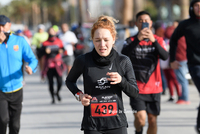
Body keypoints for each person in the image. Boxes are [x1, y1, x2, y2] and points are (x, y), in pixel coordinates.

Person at [65, 15, 139, 134]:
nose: (102, 44)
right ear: (92, 40)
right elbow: (69, 81)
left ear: (113, 39)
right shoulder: (83, 60)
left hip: (117, 123)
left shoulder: (123, 61)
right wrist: (79, 95)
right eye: (97, 40)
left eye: (106, 40)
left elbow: (134, 93)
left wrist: (121, 81)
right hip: (92, 124)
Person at [121, 11, 168, 134]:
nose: (144, 23)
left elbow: (164, 56)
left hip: (155, 88)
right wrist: (137, 40)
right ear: (136, 23)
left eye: (146, 20)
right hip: (136, 88)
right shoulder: (130, 40)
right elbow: (123, 55)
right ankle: (138, 130)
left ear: (151, 23)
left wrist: (154, 41)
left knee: (152, 121)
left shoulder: (158, 40)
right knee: (140, 119)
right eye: (141, 21)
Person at [0, 15, 38, 134]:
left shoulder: (19, 41)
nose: (0, 28)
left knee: (15, 125)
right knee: (2, 120)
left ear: (9, 25)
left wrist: (31, 68)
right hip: (1, 90)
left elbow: (32, 59)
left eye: (2, 25)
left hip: (17, 88)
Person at [169, 0, 200, 132]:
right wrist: (172, 60)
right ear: (192, 7)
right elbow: (173, 40)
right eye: (197, 5)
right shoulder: (186, 24)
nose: (199, 8)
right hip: (196, 66)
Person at [165, 21, 189, 104]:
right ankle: (183, 97)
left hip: (179, 59)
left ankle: (184, 98)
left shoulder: (179, 35)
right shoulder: (184, 34)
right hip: (184, 58)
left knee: (182, 79)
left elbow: (167, 34)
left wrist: (171, 27)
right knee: (182, 79)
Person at [41, 27, 65, 104]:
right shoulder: (45, 43)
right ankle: (53, 98)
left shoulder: (59, 41)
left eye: (52, 31)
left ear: (55, 32)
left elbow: (63, 49)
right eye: (50, 31)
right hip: (49, 65)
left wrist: (61, 51)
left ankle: (57, 92)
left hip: (58, 64)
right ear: (48, 33)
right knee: (50, 83)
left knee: (60, 81)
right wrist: (45, 51)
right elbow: (40, 53)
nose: (51, 33)